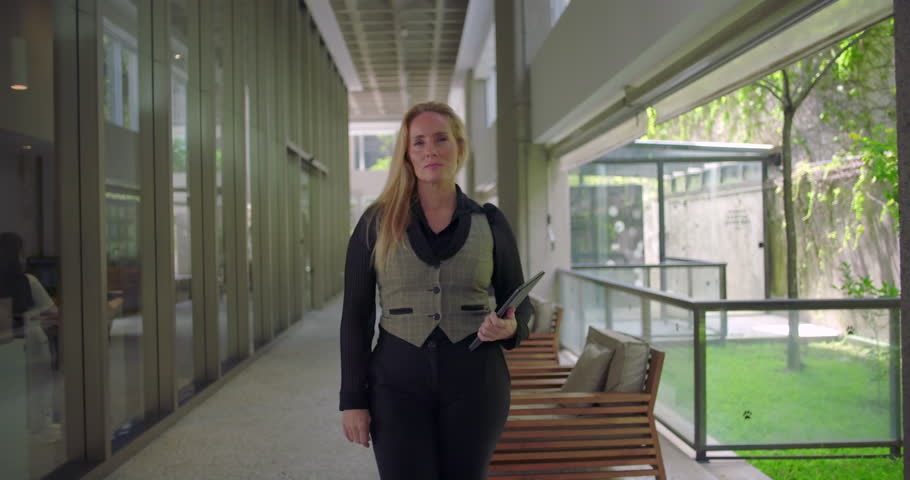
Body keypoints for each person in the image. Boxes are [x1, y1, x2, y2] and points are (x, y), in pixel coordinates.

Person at [339, 102, 531, 479]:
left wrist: (511, 328)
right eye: (419, 142)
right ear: (407, 156)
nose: (431, 150)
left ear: (458, 147)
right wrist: (352, 400)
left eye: (441, 139)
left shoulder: (489, 221)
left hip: (476, 382)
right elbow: (356, 317)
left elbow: (520, 302)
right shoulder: (375, 223)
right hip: (396, 382)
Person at [0, 232, 59, 441]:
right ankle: (40, 428)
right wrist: (34, 316)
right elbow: (53, 312)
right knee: (38, 385)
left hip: (7, 346)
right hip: (32, 339)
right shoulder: (28, 281)